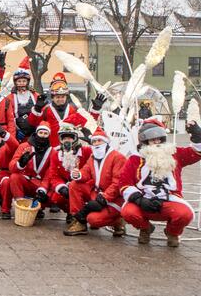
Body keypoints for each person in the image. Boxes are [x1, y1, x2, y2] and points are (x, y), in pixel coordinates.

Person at [120, 119, 201, 247]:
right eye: (153, 140)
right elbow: (124, 184)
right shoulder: (134, 159)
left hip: (170, 200)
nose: (157, 143)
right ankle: (145, 228)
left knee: (185, 214)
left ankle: (172, 232)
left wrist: (197, 137)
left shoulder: (175, 154)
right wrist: (139, 200)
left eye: (159, 139)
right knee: (128, 212)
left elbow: (196, 153)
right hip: (143, 200)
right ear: (145, 141)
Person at [64, 127, 127, 237]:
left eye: (99, 140)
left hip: (113, 198)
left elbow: (118, 183)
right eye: (94, 141)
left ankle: (118, 220)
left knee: (93, 220)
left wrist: (106, 197)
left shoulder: (118, 157)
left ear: (106, 142)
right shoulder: (93, 157)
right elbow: (86, 171)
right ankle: (79, 221)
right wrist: (78, 174)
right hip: (97, 194)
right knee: (74, 185)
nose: (96, 143)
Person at [28, 73, 103, 147]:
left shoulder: (72, 110)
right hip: (50, 149)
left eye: (62, 97)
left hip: (69, 148)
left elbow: (89, 124)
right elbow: (33, 123)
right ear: (52, 97)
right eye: (57, 97)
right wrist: (37, 109)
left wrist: (95, 110)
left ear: (66, 97)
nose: (60, 99)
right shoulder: (46, 110)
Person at [42, 121, 92, 219]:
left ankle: (87, 213)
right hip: (67, 185)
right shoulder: (56, 155)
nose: (67, 140)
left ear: (75, 139)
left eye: (70, 137)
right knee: (56, 197)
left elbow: (101, 154)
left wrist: (91, 140)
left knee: (77, 190)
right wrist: (61, 187)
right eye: (64, 138)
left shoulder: (86, 151)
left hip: (84, 185)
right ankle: (71, 213)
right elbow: (53, 175)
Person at [8, 122, 53, 220]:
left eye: (46, 134)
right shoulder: (24, 146)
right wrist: (21, 163)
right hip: (26, 181)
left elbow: (51, 173)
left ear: (49, 135)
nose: (43, 136)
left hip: (40, 184)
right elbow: (11, 167)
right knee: (14, 177)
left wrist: (43, 189)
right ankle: (21, 205)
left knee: (55, 195)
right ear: (36, 133)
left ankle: (38, 207)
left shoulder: (52, 151)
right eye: (40, 133)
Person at [6, 57, 38, 141]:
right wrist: (16, 130)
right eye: (19, 81)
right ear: (15, 82)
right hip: (18, 133)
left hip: (34, 133)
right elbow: (8, 117)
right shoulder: (10, 98)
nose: (21, 83)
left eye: (24, 81)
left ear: (27, 82)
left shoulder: (35, 96)